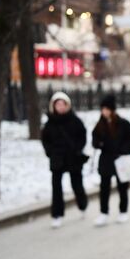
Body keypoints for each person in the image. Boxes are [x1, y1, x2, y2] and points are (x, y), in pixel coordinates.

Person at [41, 92, 88, 228]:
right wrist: (50, 152)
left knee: (77, 184)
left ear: (67, 105)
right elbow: (45, 140)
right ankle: (57, 214)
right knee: (56, 187)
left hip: (73, 157)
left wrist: (78, 149)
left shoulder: (75, 120)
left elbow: (82, 136)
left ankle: (82, 204)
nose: (60, 107)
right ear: (53, 106)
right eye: (58, 104)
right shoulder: (50, 123)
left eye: (63, 104)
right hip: (57, 158)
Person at [92, 95, 130, 226]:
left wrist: (124, 150)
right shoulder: (100, 124)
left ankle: (123, 211)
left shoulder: (123, 123)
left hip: (121, 159)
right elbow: (94, 139)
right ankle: (103, 213)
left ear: (112, 109)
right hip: (106, 159)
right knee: (104, 188)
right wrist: (98, 143)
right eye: (102, 109)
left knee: (122, 187)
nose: (104, 111)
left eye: (107, 109)